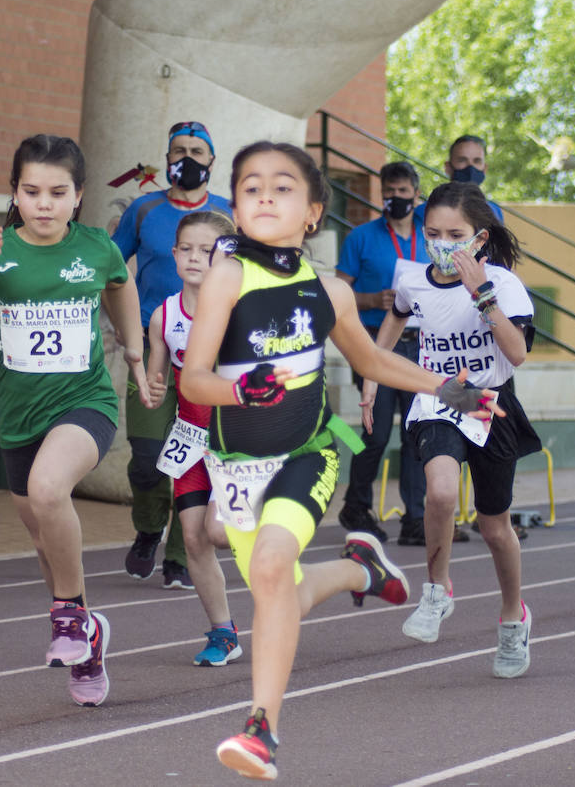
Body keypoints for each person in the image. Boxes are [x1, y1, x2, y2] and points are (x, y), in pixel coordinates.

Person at [178, 141, 501, 780]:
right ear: (236, 207)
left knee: (272, 570)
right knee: (283, 597)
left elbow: (374, 362)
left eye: (282, 187)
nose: (265, 196)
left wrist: (450, 390)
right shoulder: (227, 276)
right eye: (250, 187)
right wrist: (240, 388)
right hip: (237, 465)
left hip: (307, 451)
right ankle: (358, 569)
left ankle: (260, 729)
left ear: (313, 213)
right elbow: (193, 380)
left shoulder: (330, 292)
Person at [0, 133, 153, 708]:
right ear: (15, 193)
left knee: (49, 490)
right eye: (32, 191)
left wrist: (133, 348)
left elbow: (119, 287)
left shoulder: (97, 247)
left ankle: (72, 615)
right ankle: (89, 640)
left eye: (58, 192)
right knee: (40, 536)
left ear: (78, 196)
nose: (45, 203)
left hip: (85, 403)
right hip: (19, 416)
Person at [367, 181, 541, 678]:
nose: (443, 243)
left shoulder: (504, 285)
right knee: (439, 493)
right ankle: (437, 591)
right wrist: (373, 379)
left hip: (490, 402)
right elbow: (395, 320)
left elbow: (518, 353)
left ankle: (513, 617)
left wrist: (480, 293)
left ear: (479, 239)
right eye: (433, 233)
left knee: (494, 528)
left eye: (455, 234)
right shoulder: (411, 280)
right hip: (442, 397)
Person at [111, 121, 233, 589]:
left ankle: (182, 554)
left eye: (197, 151)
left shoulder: (228, 214)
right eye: (178, 150)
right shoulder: (143, 210)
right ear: (166, 159)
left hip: (212, 354)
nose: (187, 158)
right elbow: (111, 267)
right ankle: (147, 529)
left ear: (211, 160)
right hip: (152, 343)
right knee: (146, 457)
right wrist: (124, 329)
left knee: (194, 455)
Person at [145, 209, 243, 667]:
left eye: (207, 250)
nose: (194, 257)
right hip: (189, 439)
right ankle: (223, 632)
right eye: (186, 248)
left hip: (238, 442)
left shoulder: (243, 313)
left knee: (219, 533)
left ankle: (279, 532)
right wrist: (151, 386)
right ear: (173, 253)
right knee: (192, 535)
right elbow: (155, 375)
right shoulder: (163, 315)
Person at [334, 162, 430, 545]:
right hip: (374, 341)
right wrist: (372, 299)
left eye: (403, 192)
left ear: (416, 195)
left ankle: (416, 518)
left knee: (416, 433)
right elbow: (339, 291)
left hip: (421, 343)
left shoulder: (429, 236)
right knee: (374, 434)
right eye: (389, 192)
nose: (396, 199)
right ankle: (356, 506)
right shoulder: (361, 237)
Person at [442, 134, 504, 220]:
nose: (470, 167)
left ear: (485, 168)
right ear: (448, 167)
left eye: (477, 161)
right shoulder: (427, 210)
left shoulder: (494, 211)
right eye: (462, 160)